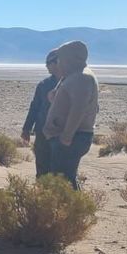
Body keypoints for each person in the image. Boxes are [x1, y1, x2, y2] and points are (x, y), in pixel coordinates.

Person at [43, 40, 99, 189]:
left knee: (63, 180)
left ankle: (70, 210)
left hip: (73, 138)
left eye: (61, 59)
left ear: (70, 59)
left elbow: (78, 109)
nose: (59, 63)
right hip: (70, 137)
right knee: (65, 177)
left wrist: (66, 136)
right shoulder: (74, 76)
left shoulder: (81, 77)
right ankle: (70, 209)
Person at [21, 49, 61, 178]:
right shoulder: (44, 85)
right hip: (42, 132)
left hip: (62, 134)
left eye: (49, 63)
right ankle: (41, 195)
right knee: (42, 167)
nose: (46, 66)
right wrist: (26, 128)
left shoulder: (71, 84)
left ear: (57, 62)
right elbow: (34, 108)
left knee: (61, 171)